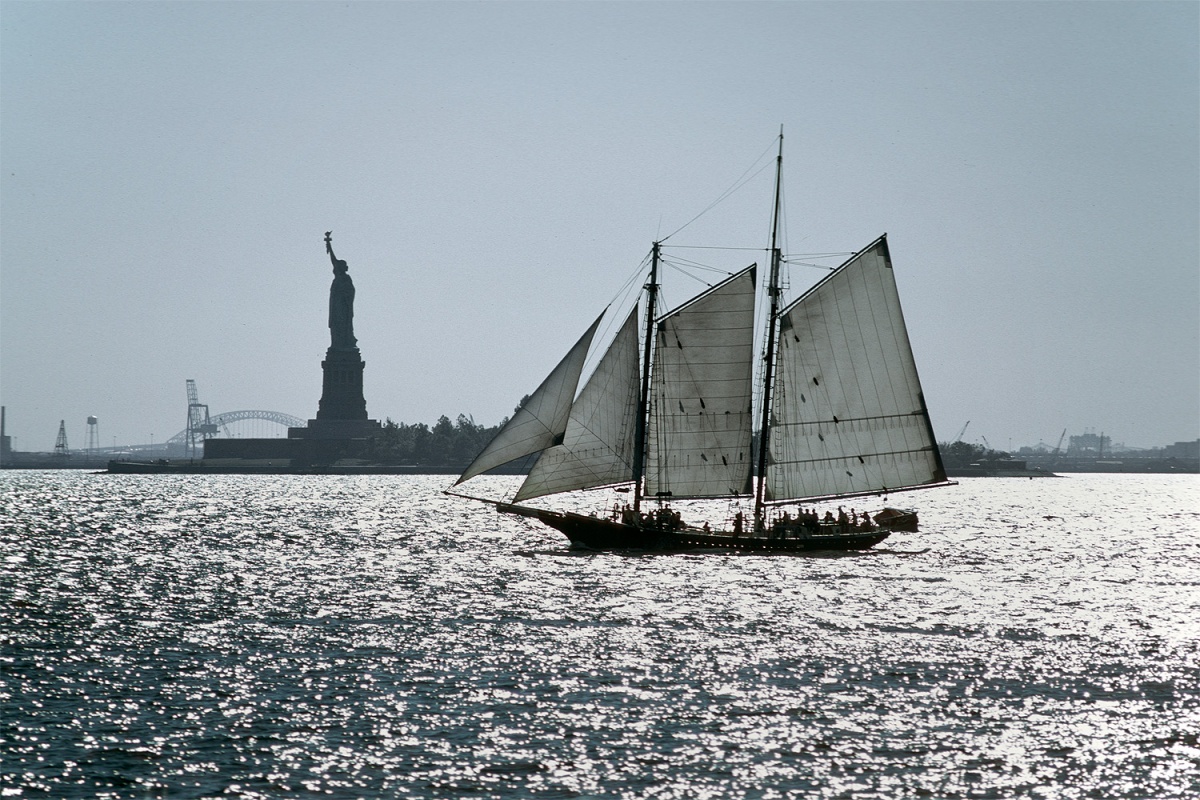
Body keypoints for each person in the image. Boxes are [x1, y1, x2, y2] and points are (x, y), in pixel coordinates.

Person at [325, 232, 357, 350]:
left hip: (344, 306)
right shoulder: (338, 277)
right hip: (336, 306)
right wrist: (329, 244)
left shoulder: (346, 279)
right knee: (336, 325)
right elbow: (333, 260)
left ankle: (345, 342)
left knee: (343, 325)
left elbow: (351, 292)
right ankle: (337, 344)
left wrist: (345, 295)